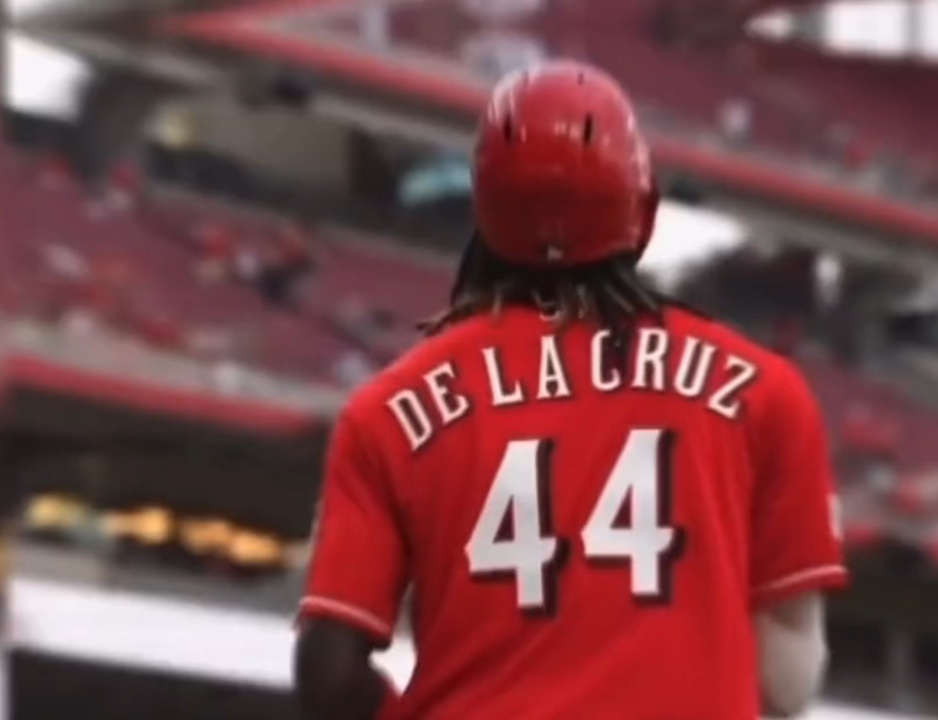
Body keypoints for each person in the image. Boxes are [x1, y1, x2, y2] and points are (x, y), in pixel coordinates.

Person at [295, 61, 848, 720]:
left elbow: (328, 677)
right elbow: (786, 679)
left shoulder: (387, 412)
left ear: (484, 207)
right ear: (642, 207)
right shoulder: (767, 395)